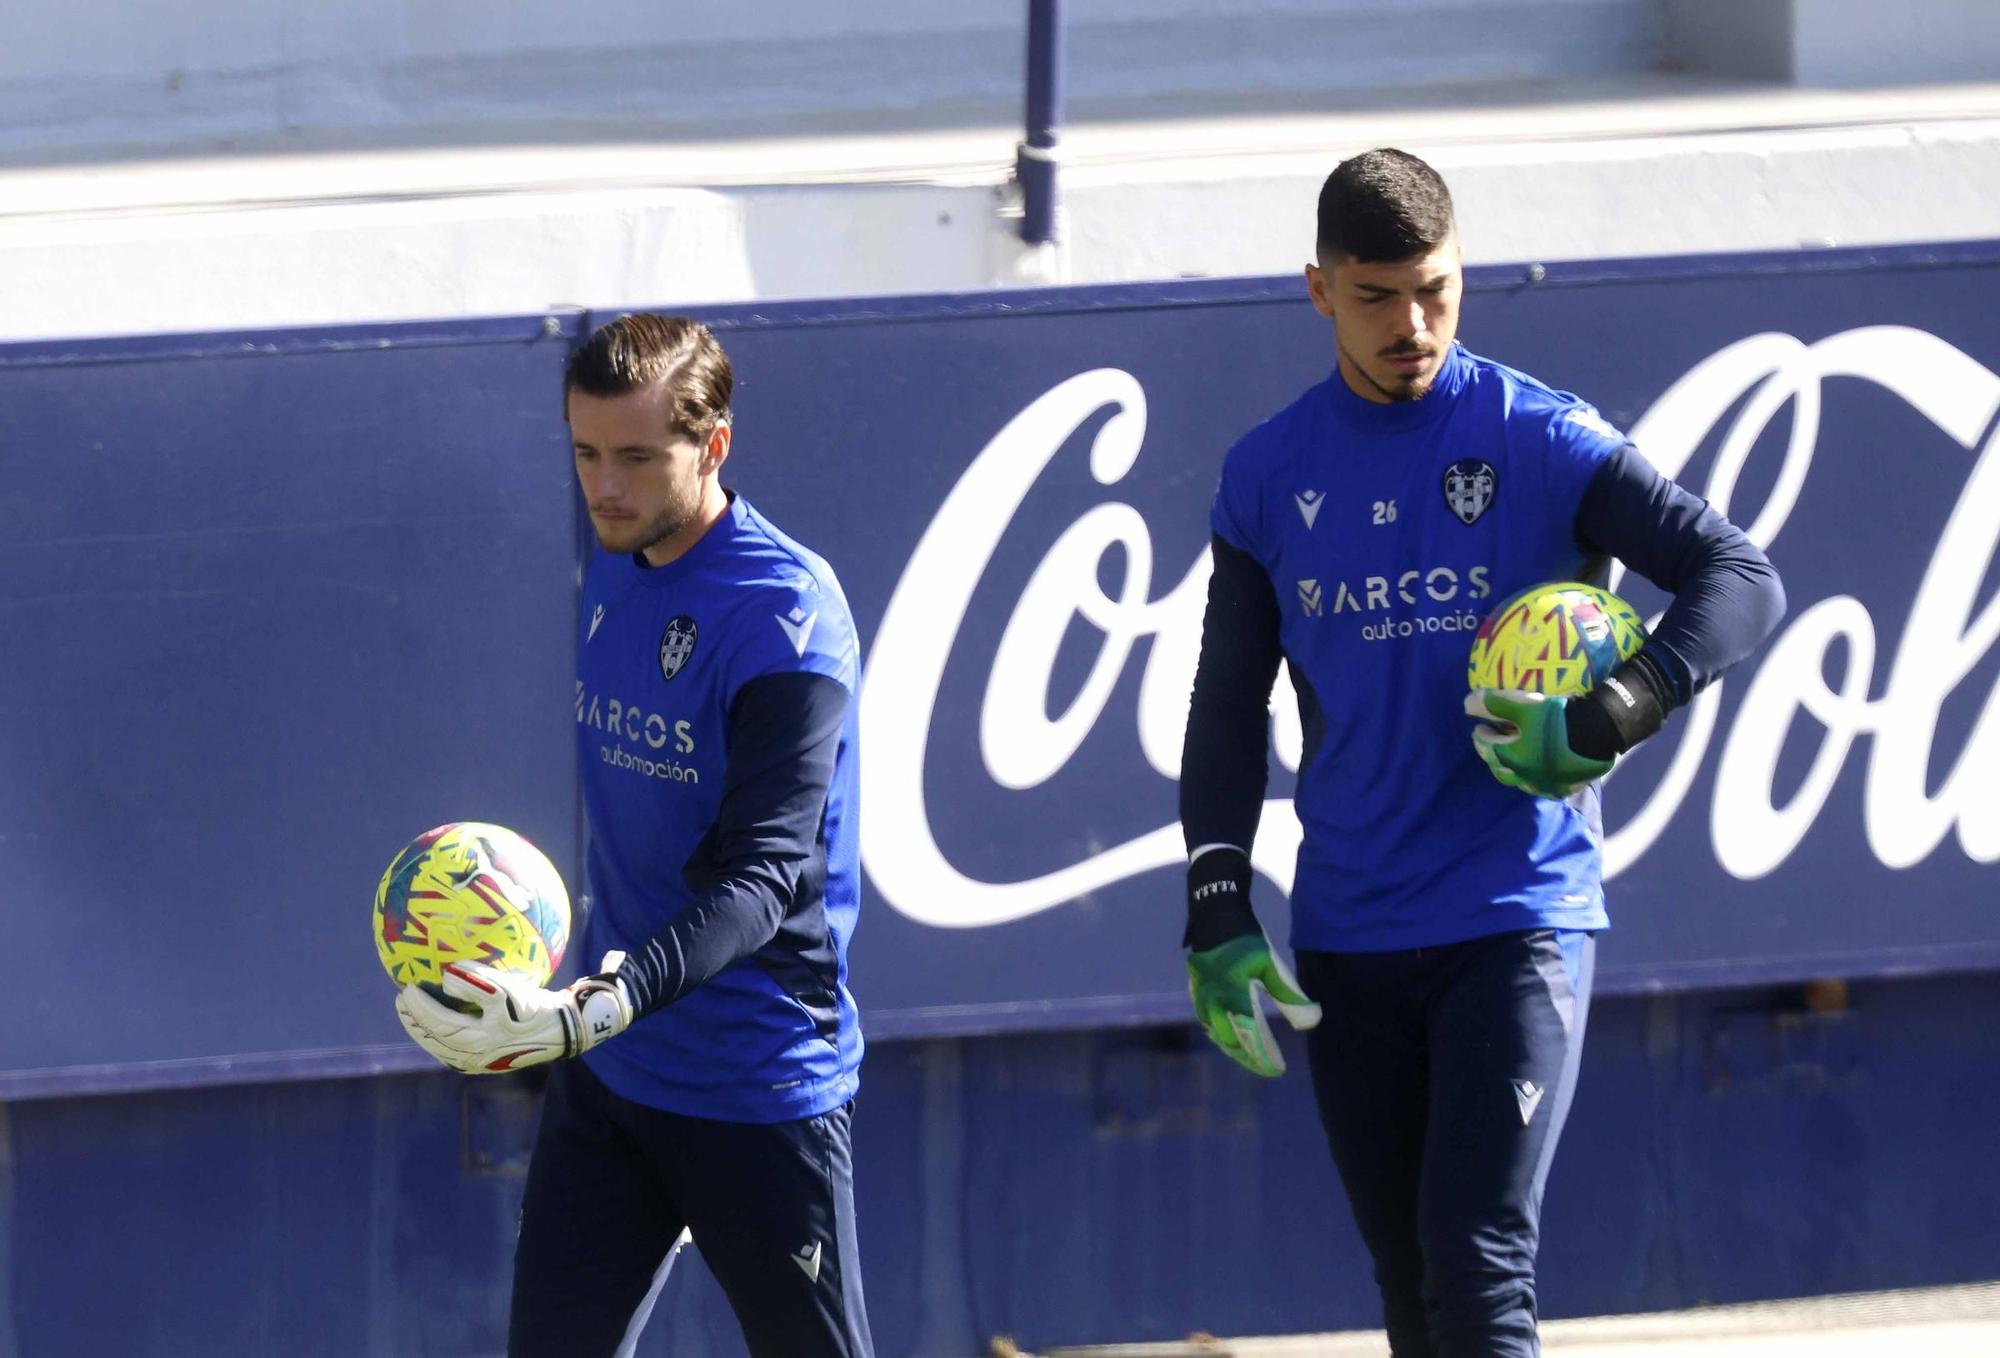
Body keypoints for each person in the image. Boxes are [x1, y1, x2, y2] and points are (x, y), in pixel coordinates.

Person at [1178, 149, 1785, 1357]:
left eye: (1436, 291)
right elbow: (1225, 700)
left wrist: (1617, 707)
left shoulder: (1540, 436)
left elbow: (1740, 579)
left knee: (1474, 1264)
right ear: (1316, 289)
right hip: (1348, 930)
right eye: (1376, 296)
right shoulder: (1263, 475)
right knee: (1407, 1282)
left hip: (1515, 917)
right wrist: (1214, 900)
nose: (1411, 325)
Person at [395, 313, 874, 1358]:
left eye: (635, 457)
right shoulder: (618, 554)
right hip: (610, 1082)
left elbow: (762, 880)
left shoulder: (782, 616)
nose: (603, 485)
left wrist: (596, 1004)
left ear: (714, 446)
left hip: (758, 1082)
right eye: (583, 453)